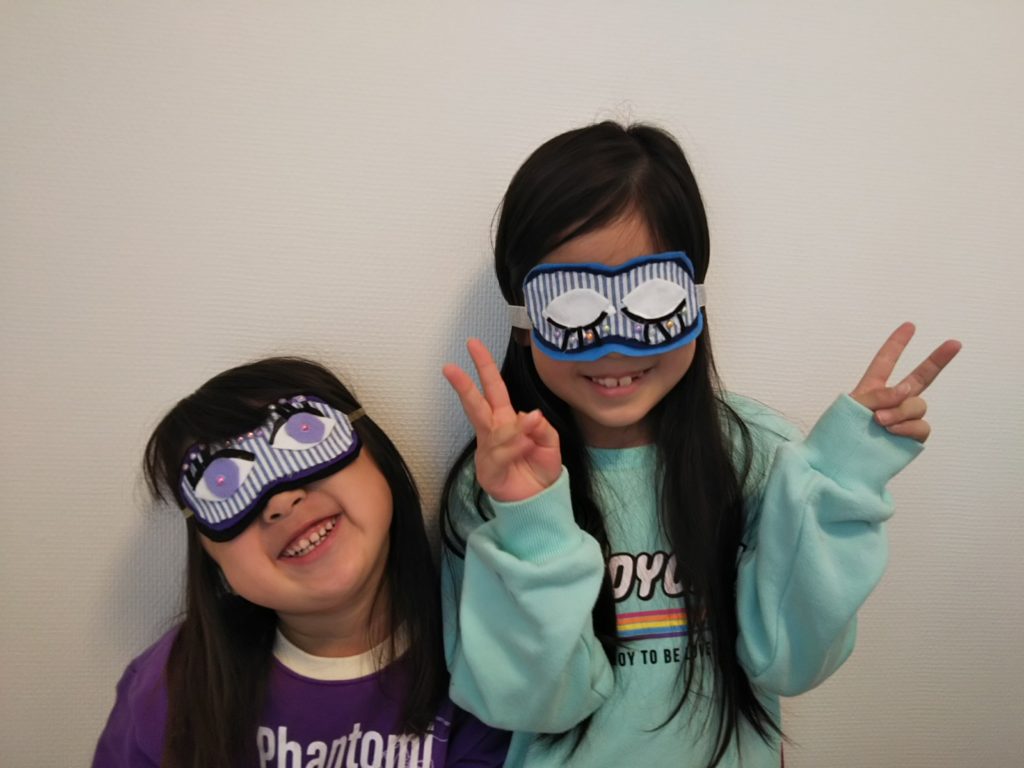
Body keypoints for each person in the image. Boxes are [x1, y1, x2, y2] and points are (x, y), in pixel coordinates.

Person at [439, 121, 960, 768]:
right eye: (572, 309)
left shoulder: (755, 455)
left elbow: (789, 661)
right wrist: (531, 521)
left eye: (652, 301)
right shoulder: (492, 485)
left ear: (695, 302)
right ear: (524, 322)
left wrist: (841, 479)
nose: (614, 346)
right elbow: (532, 703)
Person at [93, 357, 509, 768]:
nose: (281, 501)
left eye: (305, 435)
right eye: (222, 487)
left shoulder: (481, 663)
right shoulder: (169, 686)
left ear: (378, 456)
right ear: (208, 554)